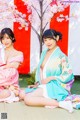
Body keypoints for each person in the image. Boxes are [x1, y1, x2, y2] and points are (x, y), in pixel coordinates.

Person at [20, 29, 74, 113]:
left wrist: (51, 78)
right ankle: (47, 98)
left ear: (56, 38)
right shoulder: (44, 52)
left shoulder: (61, 56)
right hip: (44, 84)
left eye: (50, 39)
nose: (48, 42)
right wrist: (38, 83)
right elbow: (40, 70)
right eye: (45, 40)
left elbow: (69, 75)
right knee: (22, 94)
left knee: (28, 99)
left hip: (54, 85)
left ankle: (60, 103)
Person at [0, 28, 23, 103]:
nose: (5, 41)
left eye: (7, 38)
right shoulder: (1, 52)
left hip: (10, 86)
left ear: (12, 38)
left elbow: (14, 67)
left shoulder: (18, 53)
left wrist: (2, 67)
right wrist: (8, 66)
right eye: (3, 38)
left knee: (6, 93)